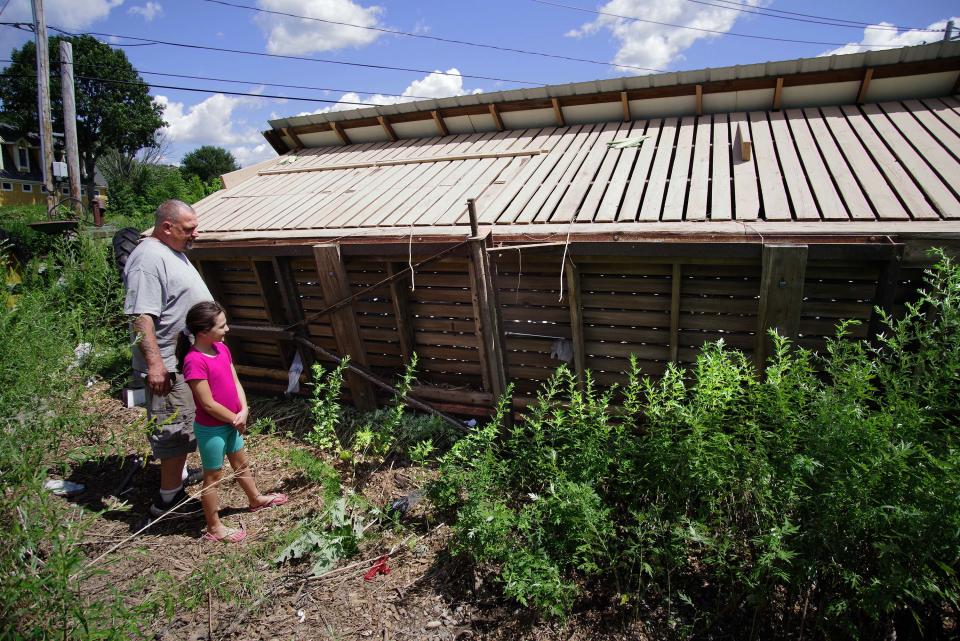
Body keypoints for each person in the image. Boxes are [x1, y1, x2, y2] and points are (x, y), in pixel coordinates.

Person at [123, 200, 211, 517]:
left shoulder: (170, 252)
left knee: (185, 423)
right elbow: (141, 317)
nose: (195, 234)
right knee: (174, 428)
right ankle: (168, 500)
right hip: (168, 366)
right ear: (167, 227)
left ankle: (180, 476)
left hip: (182, 360)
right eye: (189, 229)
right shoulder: (147, 259)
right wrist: (156, 364)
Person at [179, 301, 288, 542]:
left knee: (242, 465)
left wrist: (245, 409)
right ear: (203, 332)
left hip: (232, 423)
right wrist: (234, 418)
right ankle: (214, 527)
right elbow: (206, 403)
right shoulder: (194, 360)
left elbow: (235, 380)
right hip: (213, 429)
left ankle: (255, 499)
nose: (227, 329)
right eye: (222, 325)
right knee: (213, 477)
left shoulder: (221, 349)